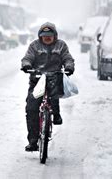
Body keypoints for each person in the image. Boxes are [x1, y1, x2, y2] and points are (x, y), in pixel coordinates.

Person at [21, 22, 75, 151]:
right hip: (37, 79)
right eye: (44, 36)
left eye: (49, 36)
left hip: (54, 78)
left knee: (54, 95)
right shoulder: (34, 46)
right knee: (31, 108)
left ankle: (56, 114)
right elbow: (27, 58)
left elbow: (68, 58)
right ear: (40, 36)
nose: (47, 38)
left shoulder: (61, 45)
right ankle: (33, 141)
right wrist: (27, 65)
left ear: (55, 36)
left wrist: (69, 67)